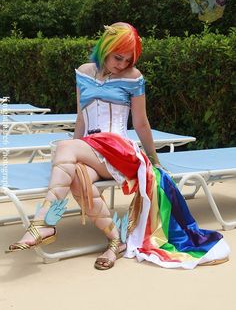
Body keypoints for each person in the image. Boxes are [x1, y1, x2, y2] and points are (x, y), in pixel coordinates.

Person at [7, 22, 230, 270]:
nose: (122, 64)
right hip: (92, 150)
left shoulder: (134, 77)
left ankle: (42, 223)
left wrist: (154, 160)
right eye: (118, 57)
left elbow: (141, 122)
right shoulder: (83, 72)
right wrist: (71, 157)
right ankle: (116, 241)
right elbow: (81, 117)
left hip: (120, 150)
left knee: (65, 146)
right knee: (79, 177)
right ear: (105, 47)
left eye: (128, 59)